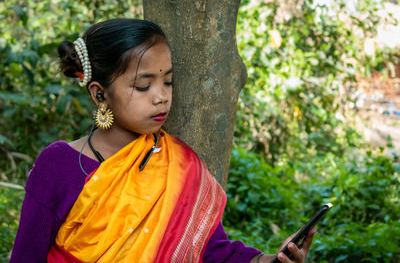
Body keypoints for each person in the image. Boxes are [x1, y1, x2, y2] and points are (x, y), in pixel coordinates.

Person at [10, 18, 315, 263]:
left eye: (168, 81)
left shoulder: (179, 165)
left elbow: (212, 250)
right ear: (99, 92)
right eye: (143, 85)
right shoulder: (58, 166)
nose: (162, 96)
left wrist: (270, 260)